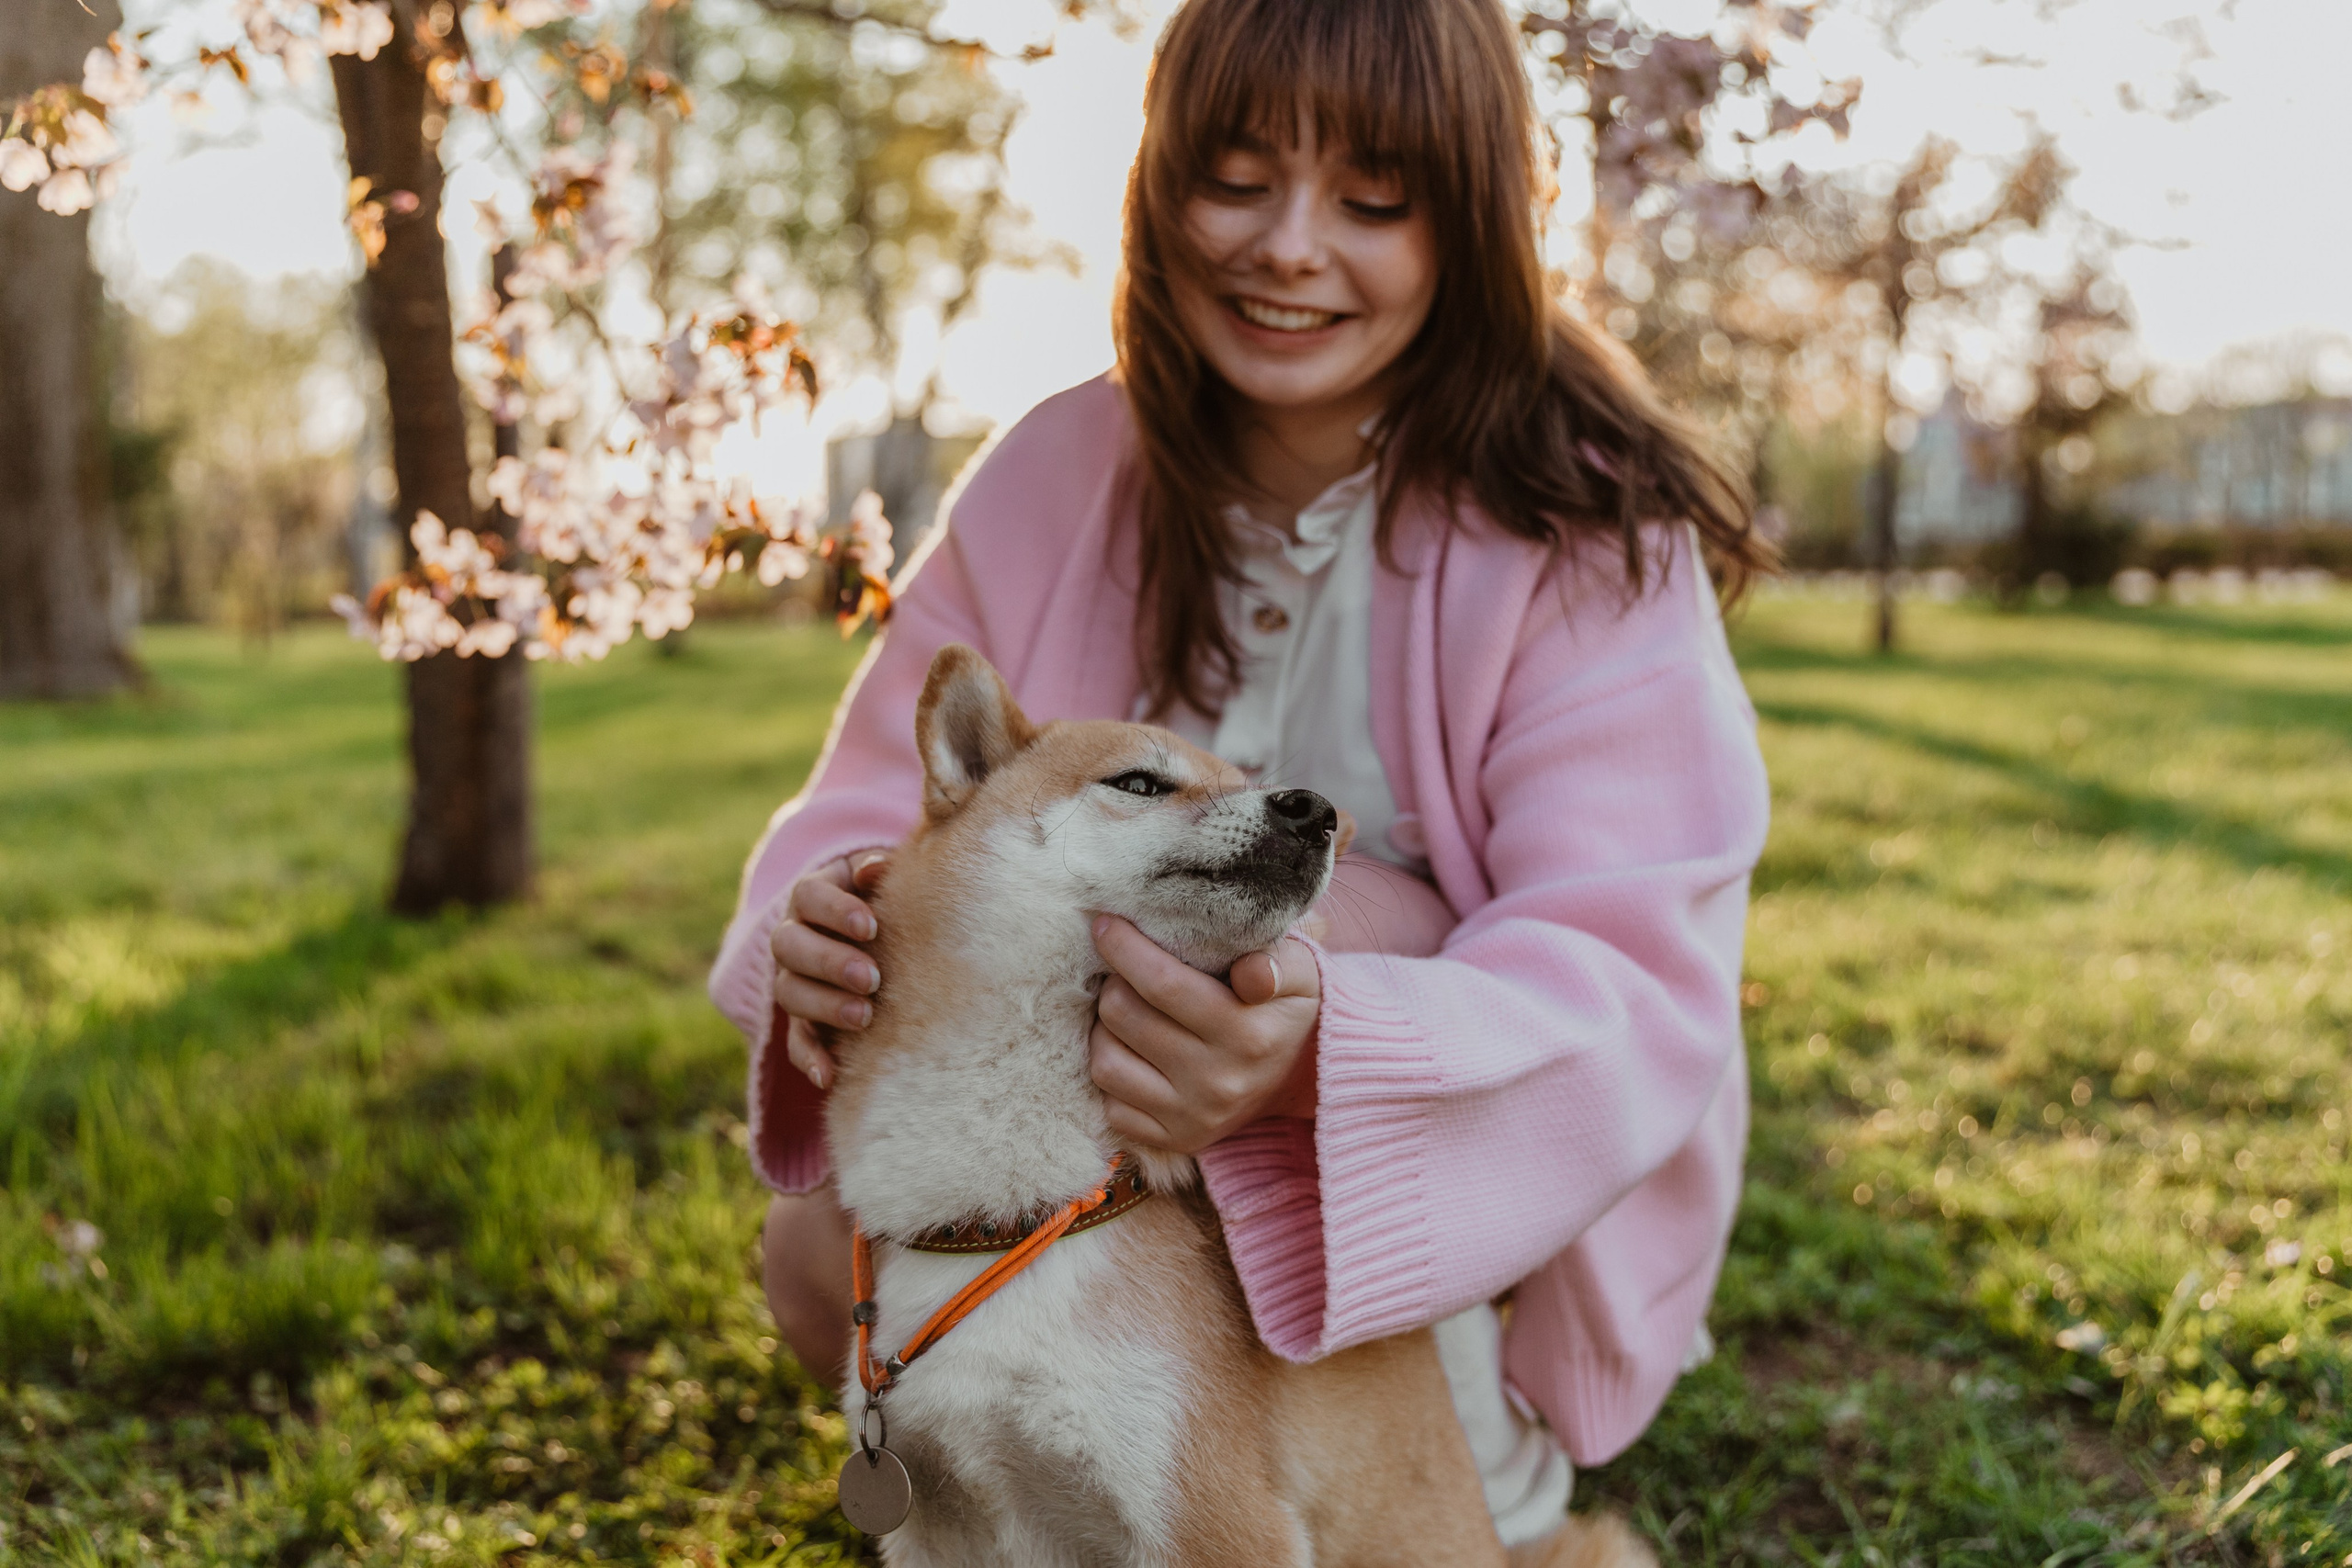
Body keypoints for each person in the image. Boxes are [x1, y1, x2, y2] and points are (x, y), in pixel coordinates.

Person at [709, 0, 1771, 1550]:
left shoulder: (1585, 537)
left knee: (1358, 939)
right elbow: (887, 798)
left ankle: (1431, 1474)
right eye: (1235, 178)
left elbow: (1632, 965)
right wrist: (834, 921)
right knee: (818, 1254)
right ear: (1155, 188)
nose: (1289, 246)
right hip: (1062, 1137)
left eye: (1373, 201)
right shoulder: (1051, 475)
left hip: (1439, 1200)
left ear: (1474, 221)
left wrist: (1303, 1069)